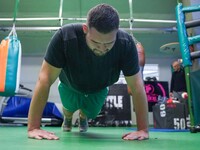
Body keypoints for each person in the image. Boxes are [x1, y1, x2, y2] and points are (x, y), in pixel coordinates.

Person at [27, 3, 149, 141]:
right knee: (68, 107)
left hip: (99, 89)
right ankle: (68, 117)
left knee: (91, 112)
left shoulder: (126, 43)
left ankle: (83, 116)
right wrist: (33, 127)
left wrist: (143, 129)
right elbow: (44, 79)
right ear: (85, 29)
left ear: (117, 31)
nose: (102, 48)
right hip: (70, 85)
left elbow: (137, 86)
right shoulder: (65, 37)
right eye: (96, 42)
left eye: (108, 44)